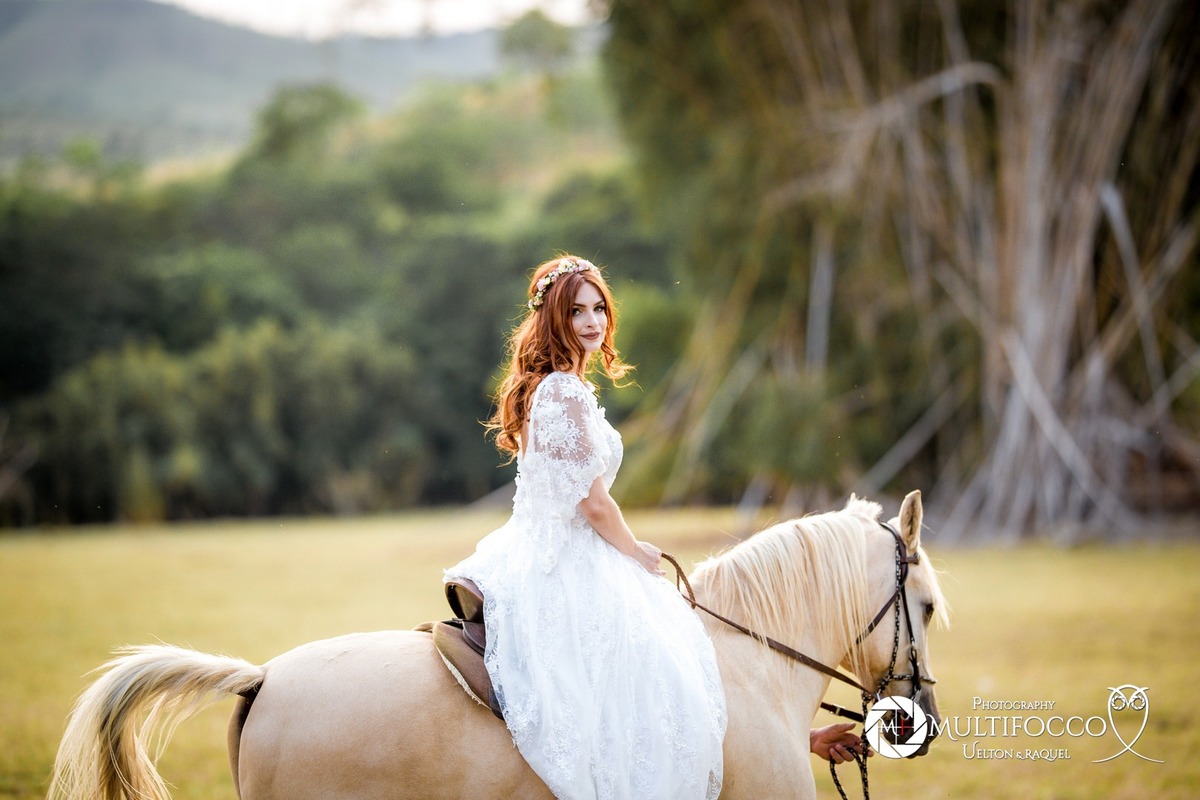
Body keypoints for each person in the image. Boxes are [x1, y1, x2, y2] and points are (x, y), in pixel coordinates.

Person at [444, 254, 868, 799]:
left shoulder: (551, 387)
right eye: (576, 312)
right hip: (569, 552)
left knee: (660, 663)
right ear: (553, 317)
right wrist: (635, 552)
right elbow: (593, 505)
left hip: (542, 543)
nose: (592, 321)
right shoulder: (564, 391)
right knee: (654, 659)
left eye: (598, 308)